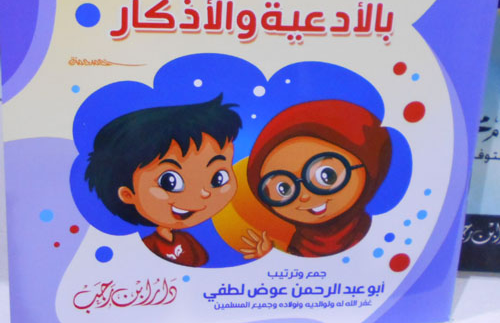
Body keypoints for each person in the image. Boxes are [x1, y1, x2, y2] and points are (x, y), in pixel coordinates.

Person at [85, 94, 241, 267]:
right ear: (127, 194)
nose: (204, 192)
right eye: (170, 182)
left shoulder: (186, 239)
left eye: (218, 178)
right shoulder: (145, 250)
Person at [244, 99, 391, 258]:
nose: (304, 196)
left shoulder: (379, 235)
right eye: (284, 189)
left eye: (327, 176)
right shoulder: (299, 245)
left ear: (370, 166)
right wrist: (270, 258)